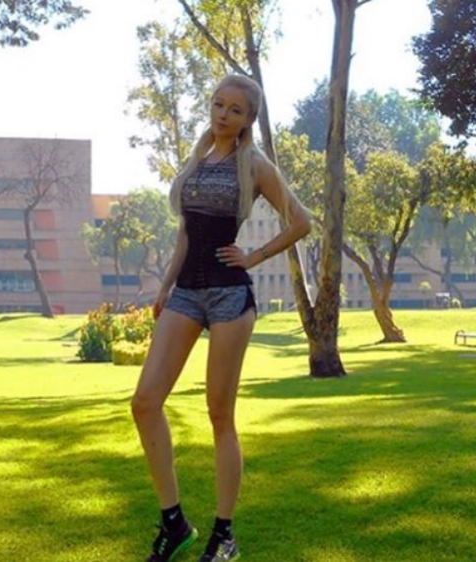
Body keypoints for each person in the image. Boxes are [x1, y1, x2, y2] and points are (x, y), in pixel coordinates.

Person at [131, 74, 311, 562]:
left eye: (235, 109)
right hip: (186, 293)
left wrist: (253, 257)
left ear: (248, 119)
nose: (223, 114)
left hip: (230, 296)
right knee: (145, 402)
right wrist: (165, 286)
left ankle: (224, 535)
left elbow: (301, 221)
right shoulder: (197, 161)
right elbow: (186, 235)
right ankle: (174, 524)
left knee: (218, 414)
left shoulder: (255, 165)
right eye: (218, 104)